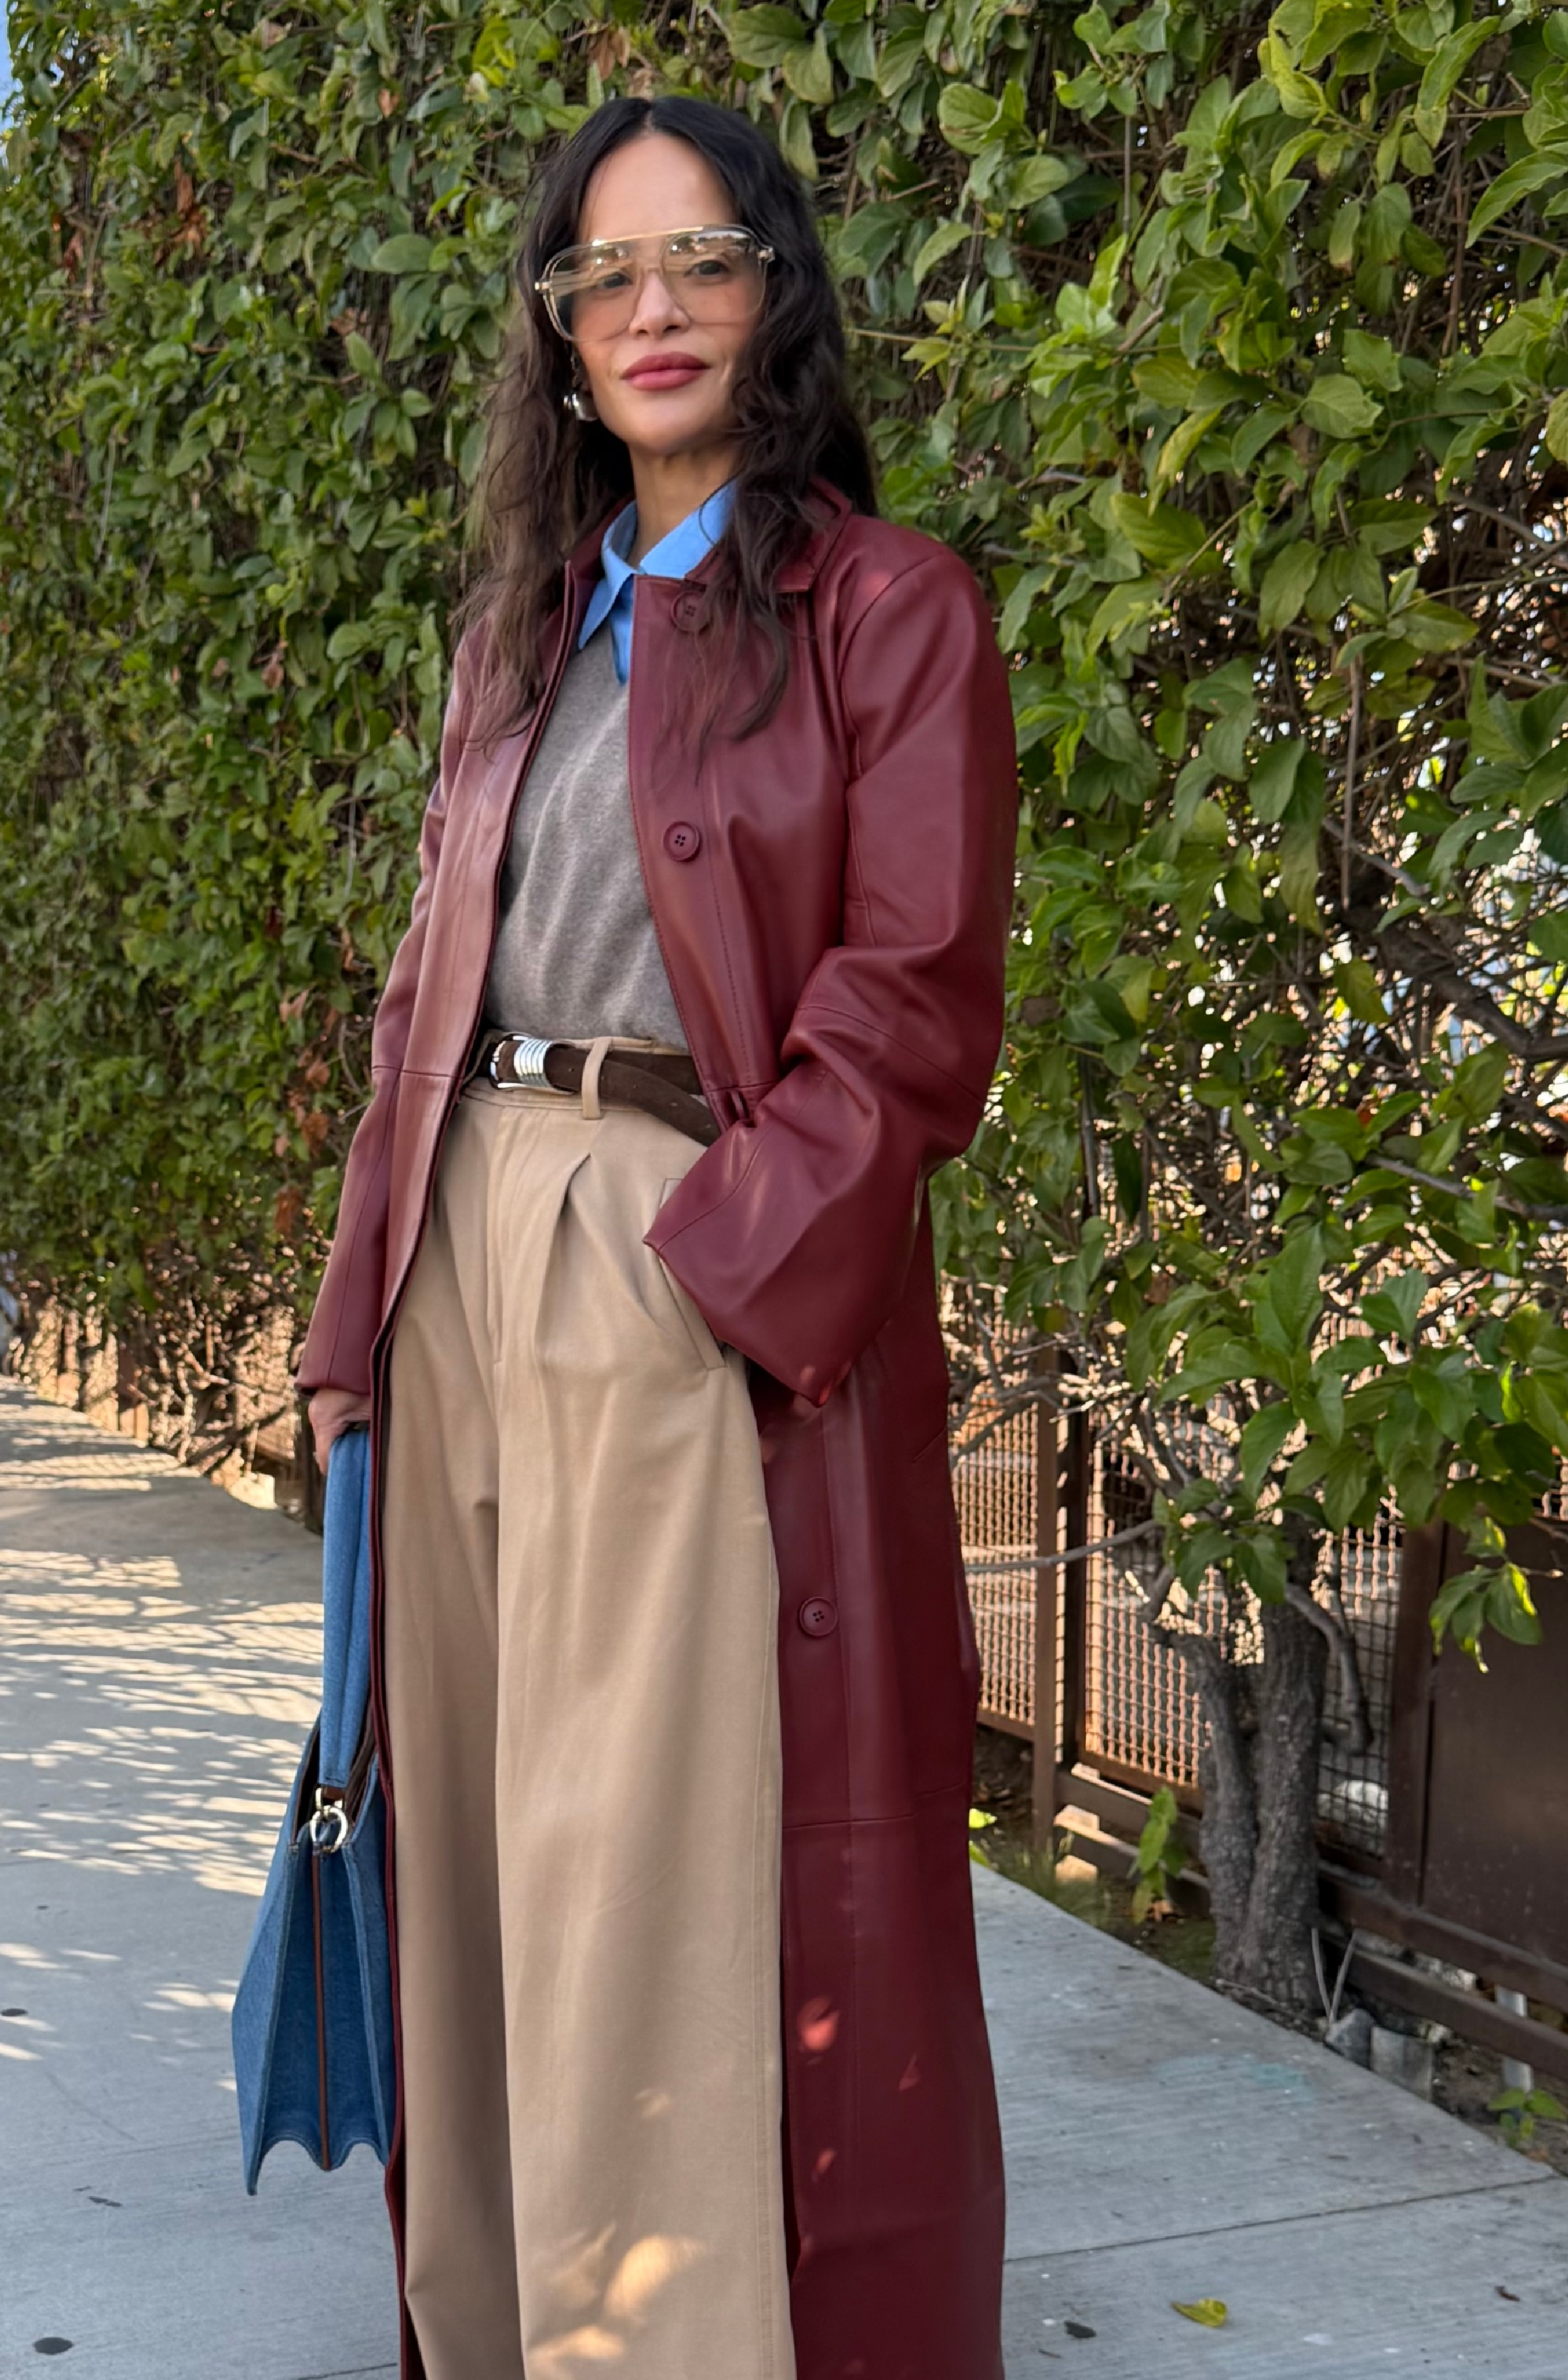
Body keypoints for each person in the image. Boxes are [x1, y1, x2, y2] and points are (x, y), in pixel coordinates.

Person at [298, 91, 1016, 2380]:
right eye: (602, 273)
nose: (653, 308)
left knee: (647, 1865)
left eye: (701, 257)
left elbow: (915, 1002)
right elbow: (423, 995)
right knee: (474, 1850)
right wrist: (352, 1324)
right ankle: (495, 2329)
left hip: (670, 1247)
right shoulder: (518, 638)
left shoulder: (884, 610)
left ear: (775, 290)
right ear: (557, 333)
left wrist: (714, 1269)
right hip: (461, 1262)